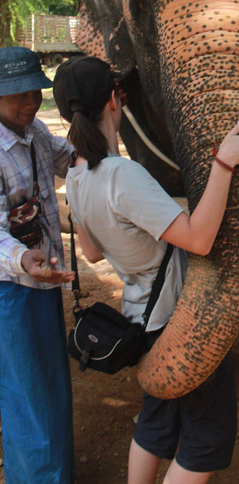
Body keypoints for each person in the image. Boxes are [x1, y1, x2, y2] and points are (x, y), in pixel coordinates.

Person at [52, 55, 239, 484]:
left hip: (139, 320)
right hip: (179, 321)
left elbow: (93, 253)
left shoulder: (75, 179)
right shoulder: (122, 176)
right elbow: (199, 238)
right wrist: (223, 163)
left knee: (155, 423)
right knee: (206, 440)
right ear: (115, 102)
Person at [0, 47, 76, 484]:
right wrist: (23, 259)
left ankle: (54, 474)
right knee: (27, 392)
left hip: (44, 284)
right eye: (18, 96)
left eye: (35, 93)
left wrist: (105, 120)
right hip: (11, 291)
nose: (30, 102)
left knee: (50, 389)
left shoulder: (38, 134)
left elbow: (73, 159)